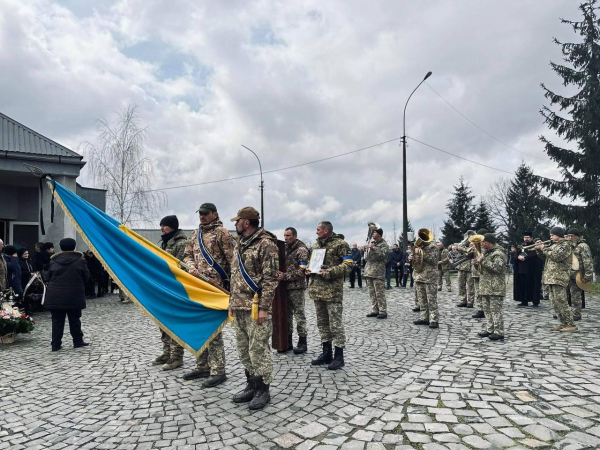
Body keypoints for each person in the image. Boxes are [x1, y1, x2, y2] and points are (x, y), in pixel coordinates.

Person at [229, 207, 279, 410]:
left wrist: (264, 307)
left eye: (237, 221)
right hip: (239, 306)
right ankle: (251, 384)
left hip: (256, 307)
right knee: (243, 350)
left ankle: (262, 389)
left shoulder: (266, 244)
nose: (235, 224)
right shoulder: (240, 244)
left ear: (246, 223)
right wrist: (232, 303)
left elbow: (271, 278)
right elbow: (234, 276)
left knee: (258, 349)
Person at [183, 203, 234, 388]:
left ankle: (218, 370)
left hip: (215, 288)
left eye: (205, 214)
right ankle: (202, 366)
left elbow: (233, 261)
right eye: (200, 214)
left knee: (213, 330)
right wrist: (191, 266)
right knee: (199, 327)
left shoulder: (222, 233)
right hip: (197, 287)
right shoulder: (194, 234)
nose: (202, 217)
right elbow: (187, 255)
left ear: (215, 214)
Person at [307, 221, 351, 370]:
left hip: (332, 292)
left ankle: (339, 356)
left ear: (326, 230)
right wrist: (308, 269)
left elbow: (348, 265)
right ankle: (326, 353)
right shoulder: (315, 245)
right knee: (322, 324)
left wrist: (329, 272)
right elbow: (312, 263)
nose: (316, 232)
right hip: (317, 291)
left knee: (335, 324)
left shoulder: (340, 244)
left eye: (318, 229)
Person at [151, 215, 188, 371]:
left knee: (174, 324)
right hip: (163, 288)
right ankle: (167, 353)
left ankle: (176, 357)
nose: (162, 228)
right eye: (161, 225)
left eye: (165, 225)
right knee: (164, 324)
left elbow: (182, 267)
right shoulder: (165, 242)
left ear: (173, 227)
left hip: (175, 288)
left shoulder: (181, 243)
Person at [43, 238, 90, 351]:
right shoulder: (80, 260)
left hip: (55, 294)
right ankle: (78, 341)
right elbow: (86, 276)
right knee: (75, 319)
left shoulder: (54, 260)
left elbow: (49, 276)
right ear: (74, 246)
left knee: (57, 320)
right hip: (74, 294)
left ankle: (56, 344)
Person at [535, 227, 577, 332]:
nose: (551, 237)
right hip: (551, 277)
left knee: (561, 301)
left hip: (559, 277)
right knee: (554, 302)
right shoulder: (555, 245)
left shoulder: (565, 245)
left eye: (552, 235)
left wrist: (543, 248)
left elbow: (555, 256)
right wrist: (539, 250)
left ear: (558, 234)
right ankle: (562, 322)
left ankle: (570, 324)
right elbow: (546, 258)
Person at [279, 227, 309, 354]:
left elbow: (302, 271)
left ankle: (302, 342)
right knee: (287, 316)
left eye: (289, 235)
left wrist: (285, 276)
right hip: (285, 288)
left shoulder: (301, 250)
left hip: (297, 288)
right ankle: (287, 341)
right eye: (285, 235)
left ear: (295, 236)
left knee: (299, 315)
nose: (286, 238)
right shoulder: (284, 249)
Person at [476, 233, 507, 341]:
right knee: (487, 310)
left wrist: (483, 261)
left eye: (483, 242)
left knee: (495, 310)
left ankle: (499, 331)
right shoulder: (487, 253)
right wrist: (476, 263)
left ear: (488, 243)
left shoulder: (498, 253)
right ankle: (490, 329)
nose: (481, 244)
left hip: (495, 287)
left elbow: (498, 268)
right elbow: (482, 269)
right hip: (486, 287)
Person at [566, 228, 593, 322]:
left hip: (578, 274)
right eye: (568, 236)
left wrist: (588, 276)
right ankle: (566, 313)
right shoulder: (568, 245)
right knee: (565, 295)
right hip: (567, 274)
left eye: (572, 236)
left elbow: (588, 261)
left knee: (575, 296)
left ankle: (576, 314)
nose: (570, 237)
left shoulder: (582, 246)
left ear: (577, 237)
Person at [412, 239, 439, 329]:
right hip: (419, 277)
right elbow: (416, 262)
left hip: (430, 277)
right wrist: (412, 257)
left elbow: (433, 260)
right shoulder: (420, 247)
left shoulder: (433, 247)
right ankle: (424, 318)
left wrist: (421, 252)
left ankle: (433, 319)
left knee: (431, 299)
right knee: (422, 299)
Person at [364, 228, 389, 319]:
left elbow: (383, 255)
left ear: (379, 234)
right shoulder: (373, 243)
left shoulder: (384, 245)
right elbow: (366, 258)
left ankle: (383, 311)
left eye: (374, 233)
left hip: (378, 272)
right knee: (372, 293)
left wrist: (373, 248)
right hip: (369, 271)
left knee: (379, 293)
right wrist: (365, 250)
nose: (372, 234)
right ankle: (375, 310)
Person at [513, 232, 543, 307]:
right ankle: (524, 301)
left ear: (531, 238)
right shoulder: (521, 246)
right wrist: (518, 257)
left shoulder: (535, 246)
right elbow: (515, 255)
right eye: (525, 237)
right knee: (522, 286)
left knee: (533, 286)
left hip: (532, 271)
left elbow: (535, 255)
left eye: (528, 237)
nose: (526, 239)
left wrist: (525, 257)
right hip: (521, 270)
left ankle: (535, 301)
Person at [470, 228, 488, 319]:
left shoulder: (486, 247)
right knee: (478, 292)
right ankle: (480, 309)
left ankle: (485, 309)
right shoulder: (475, 245)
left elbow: (484, 257)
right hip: (475, 271)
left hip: (483, 272)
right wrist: (471, 248)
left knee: (483, 292)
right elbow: (470, 256)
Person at [455, 231, 475, 308]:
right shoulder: (462, 243)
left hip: (469, 267)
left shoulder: (473, 243)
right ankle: (463, 300)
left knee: (470, 286)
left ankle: (470, 301)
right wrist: (457, 247)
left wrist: (462, 248)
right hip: (461, 267)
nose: (466, 238)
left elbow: (472, 252)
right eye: (465, 236)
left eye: (467, 236)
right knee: (461, 285)